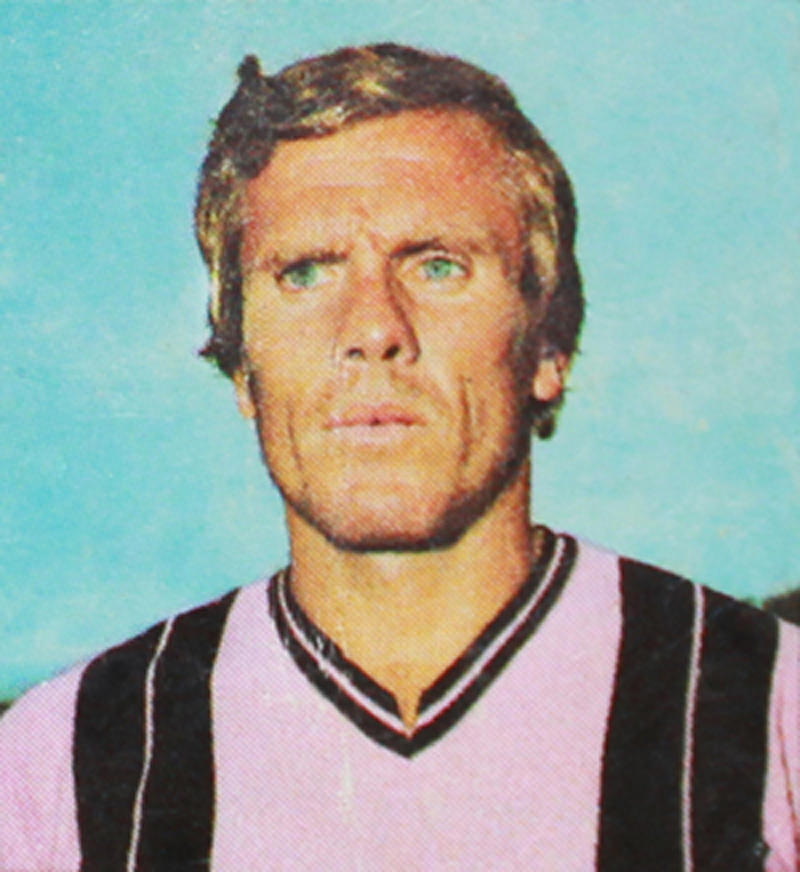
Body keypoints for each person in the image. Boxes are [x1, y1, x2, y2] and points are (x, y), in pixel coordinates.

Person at [0, 43, 797, 872]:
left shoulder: (770, 712)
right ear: (241, 363)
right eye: (305, 273)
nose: (373, 328)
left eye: (438, 266)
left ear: (548, 343)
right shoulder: (58, 769)